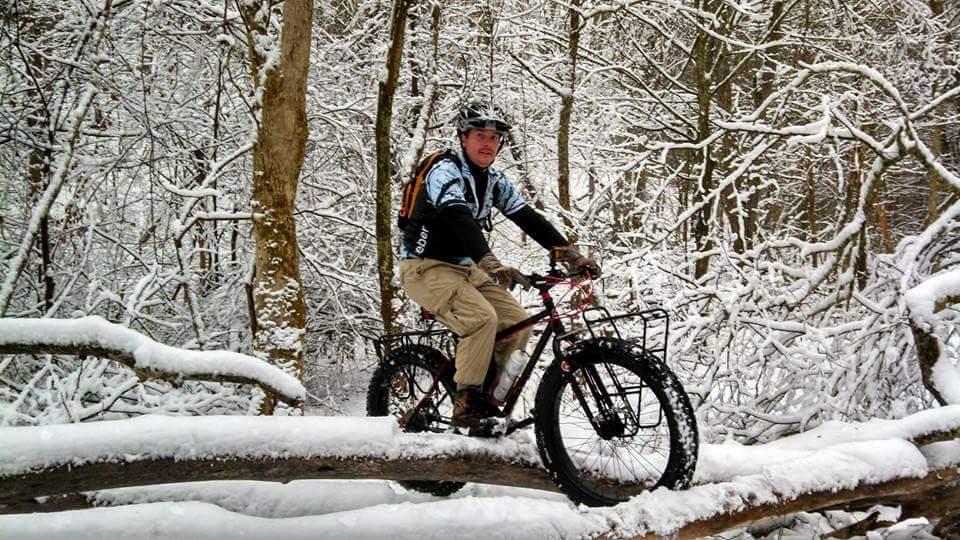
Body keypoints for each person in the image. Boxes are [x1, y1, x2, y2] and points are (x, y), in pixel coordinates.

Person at [398, 100, 600, 429]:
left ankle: (488, 402)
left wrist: (570, 255)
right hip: (425, 267)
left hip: (466, 267)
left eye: (494, 137)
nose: (488, 143)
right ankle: (465, 404)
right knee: (481, 319)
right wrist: (490, 261)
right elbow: (457, 218)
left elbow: (527, 217)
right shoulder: (445, 172)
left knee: (516, 322)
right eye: (480, 135)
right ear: (463, 138)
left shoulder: (492, 180)